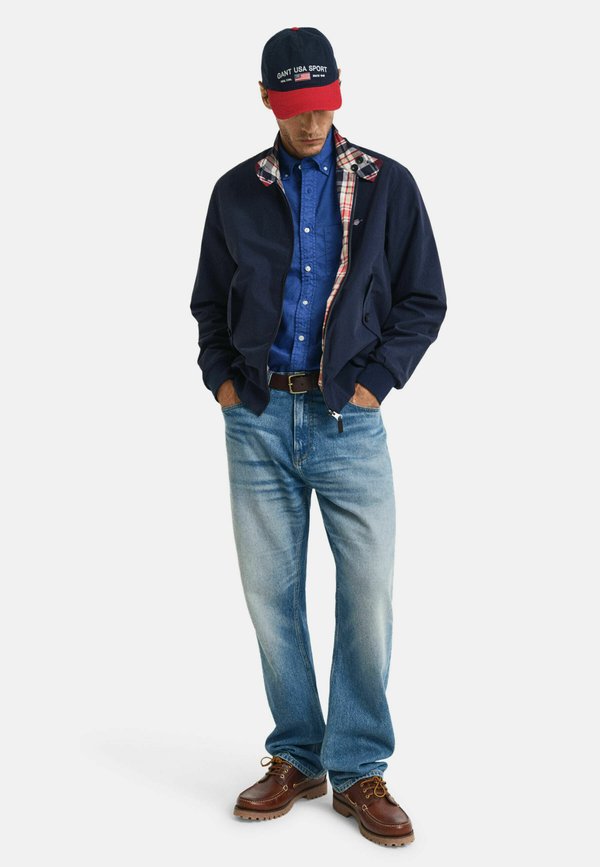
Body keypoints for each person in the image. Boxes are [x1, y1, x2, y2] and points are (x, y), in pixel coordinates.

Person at [190, 26, 446, 847]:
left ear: (339, 93)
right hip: (257, 418)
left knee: (367, 594)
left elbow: (424, 299)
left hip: (348, 422)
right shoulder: (235, 192)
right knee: (272, 599)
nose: (311, 121)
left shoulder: (385, 184)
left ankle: (360, 764)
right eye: (296, 106)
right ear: (268, 101)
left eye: (323, 103)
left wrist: (375, 382)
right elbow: (208, 302)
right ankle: (297, 756)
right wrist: (226, 384)